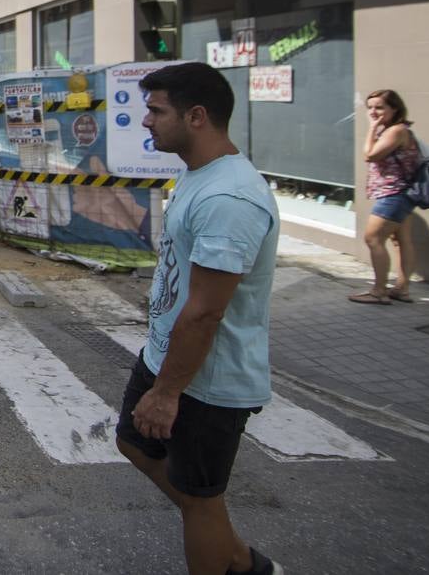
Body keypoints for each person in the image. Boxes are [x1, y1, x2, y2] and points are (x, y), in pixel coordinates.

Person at [116, 62, 282, 575]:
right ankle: (235, 554)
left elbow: (208, 309)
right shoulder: (199, 175)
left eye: (156, 110)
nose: (146, 121)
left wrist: (167, 393)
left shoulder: (228, 198)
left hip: (205, 380)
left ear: (196, 116)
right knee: (133, 442)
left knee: (200, 499)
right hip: (169, 357)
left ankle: (234, 558)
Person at [351, 89, 419, 304]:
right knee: (401, 241)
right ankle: (402, 289)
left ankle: (379, 291)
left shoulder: (395, 131)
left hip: (393, 194)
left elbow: (370, 155)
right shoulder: (399, 129)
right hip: (402, 193)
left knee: (373, 238)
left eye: (379, 107)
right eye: (370, 107)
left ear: (395, 108)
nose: (373, 112)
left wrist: (371, 128)